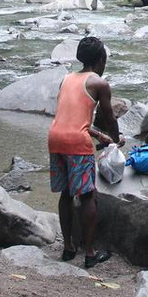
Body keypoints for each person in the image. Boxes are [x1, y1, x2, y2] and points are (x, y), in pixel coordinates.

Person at [48, 36, 122, 269]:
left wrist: (99, 136)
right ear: (101, 59)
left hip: (55, 138)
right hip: (77, 144)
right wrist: (117, 140)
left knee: (66, 194)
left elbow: (73, 117)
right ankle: (90, 253)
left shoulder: (67, 79)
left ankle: (68, 248)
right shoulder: (99, 83)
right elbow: (109, 117)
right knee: (87, 195)